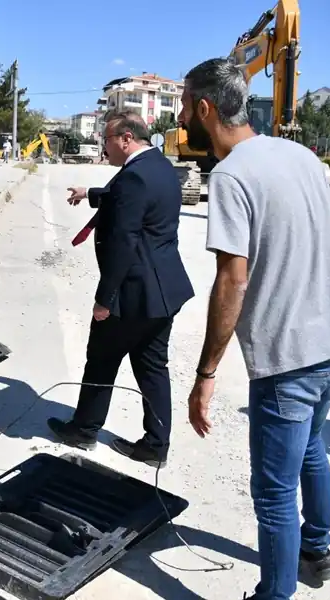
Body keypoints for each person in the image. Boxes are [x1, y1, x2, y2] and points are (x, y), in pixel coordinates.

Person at [179, 58, 330, 600]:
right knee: (312, 447)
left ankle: (275, 595)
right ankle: (316, 551)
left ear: (206, 109)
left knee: (274, 495)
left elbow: (232, 283)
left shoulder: (231, 176)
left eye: (185, 106)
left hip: (290, 363)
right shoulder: (301, 156)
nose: (183, 117)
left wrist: (206, 373)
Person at [47, 111, 195, 468]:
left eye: (107, 140)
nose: (104, 147)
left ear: (126, 138)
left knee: (101, 359)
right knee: (152, 367)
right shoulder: (159, 167)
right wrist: (90, 193)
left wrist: (105, 299)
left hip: (133, 294)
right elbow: (127, 195)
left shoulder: (134, 178)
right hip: (164, 292)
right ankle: (155, 446)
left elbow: (123, 242)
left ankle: (84, 430)